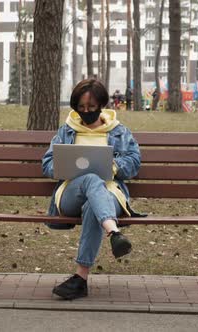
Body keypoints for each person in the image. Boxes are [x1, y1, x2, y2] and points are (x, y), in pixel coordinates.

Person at [42, 79, 141, 300]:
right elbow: (47, 164)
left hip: (110, 194)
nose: (86, 112)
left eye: (92, 108)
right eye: (81, 108)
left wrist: (113, 166)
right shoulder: (66, 131)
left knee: (92, 206)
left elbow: (134, 161)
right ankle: (114, 232)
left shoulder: (118, 132)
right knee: (89, 178)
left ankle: (80, 279)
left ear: (102, 105)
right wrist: (64, 167)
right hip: (70, 194)